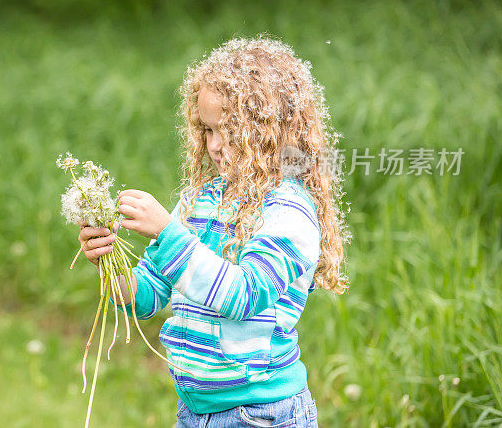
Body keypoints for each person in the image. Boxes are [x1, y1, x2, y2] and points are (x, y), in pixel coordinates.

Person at [78, 37, 350, 427]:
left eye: (230, 130)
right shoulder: (199, 201)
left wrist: (168, 233)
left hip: (260, 414)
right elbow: (147, 295)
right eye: (207, 130)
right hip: (194, 412)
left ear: (271, 130)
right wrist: (109, 261)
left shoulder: (287, 211)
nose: (215, 145)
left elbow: (243, 295)